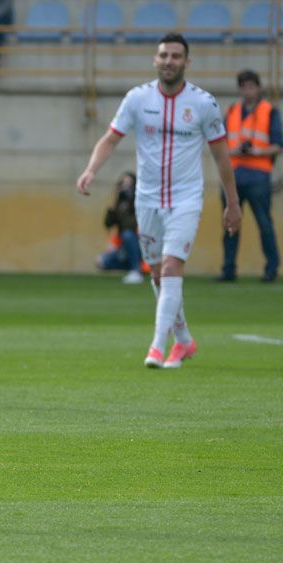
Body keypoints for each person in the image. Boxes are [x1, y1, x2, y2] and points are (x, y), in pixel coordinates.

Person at [76, 34, 241, 369]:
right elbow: (110, 139)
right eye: (164, 55)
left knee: (171, 267)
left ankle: (156, 346)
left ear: (186, 62)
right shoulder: (137, 99)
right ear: (155, 60)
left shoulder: (203, 103)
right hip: (147, 198)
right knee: (157, 276)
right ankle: (183, 341)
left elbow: (221, 156)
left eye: (176, 56)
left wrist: (232, 202)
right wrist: (91, 170)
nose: (169, 61)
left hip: (186, 198)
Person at [218, 69, 281, 283]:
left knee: (264, 224)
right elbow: (221, 144)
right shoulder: (232, 110)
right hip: (233, 176)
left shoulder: (269, 111)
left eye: (251, 86)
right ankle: (228, 270)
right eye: (244, 86)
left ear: (259, 87)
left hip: (258, 176)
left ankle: (271, 269)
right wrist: (233, 151)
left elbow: (278, 145)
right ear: (239, 89)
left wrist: (256, 152)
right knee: (230, 225)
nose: (248, 90)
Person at [95, 172, 144, 284]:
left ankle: (136, 270)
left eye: (128, 184)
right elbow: (108, 224)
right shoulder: (121, 203)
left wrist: (130, 201)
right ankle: (133, 267)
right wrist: (116, 203)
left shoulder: (138, 203)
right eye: (123, 184)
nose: (125, 188)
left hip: (142, 244)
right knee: (102, 261)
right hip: (125, 247)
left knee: (127, 235)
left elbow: (131, 226)